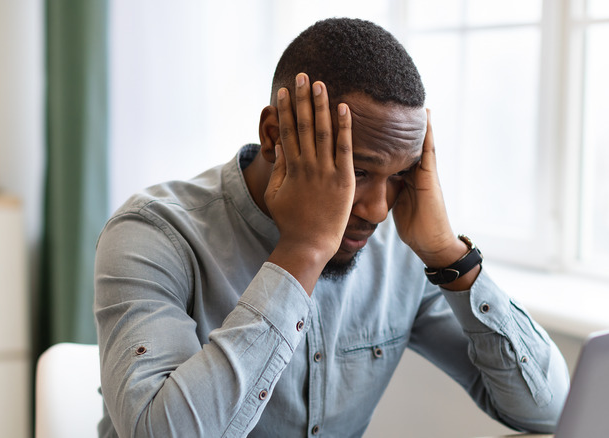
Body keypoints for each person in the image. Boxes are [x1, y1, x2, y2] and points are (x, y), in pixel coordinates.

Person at [94, 17, 569, 438]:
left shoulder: (403, 249)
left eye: (401, 174)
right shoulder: (153, 234)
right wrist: (302, 251)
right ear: (275, 136)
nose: (379, 210)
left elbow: (550, 413)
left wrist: (450, 256)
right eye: (357, 172)